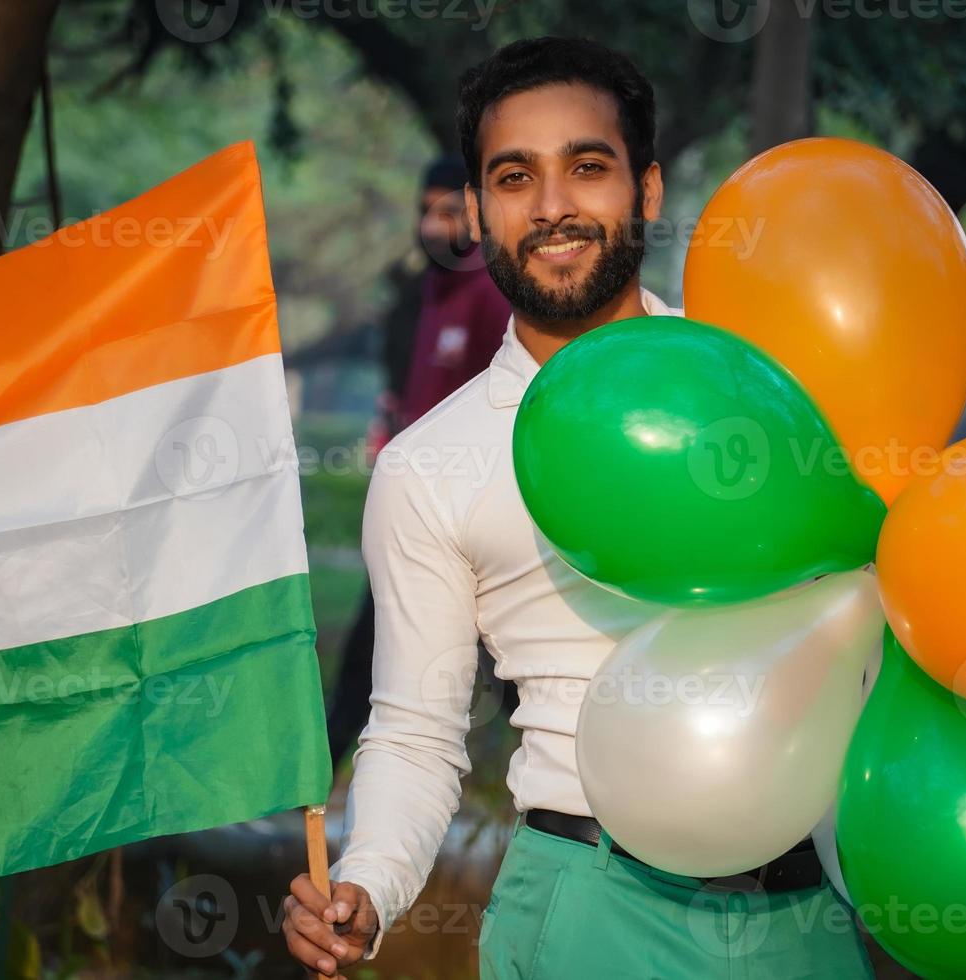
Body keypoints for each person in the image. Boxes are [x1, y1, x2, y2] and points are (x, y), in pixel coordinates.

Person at [284, 36, 875, 978]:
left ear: (645, 192)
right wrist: (371, 882)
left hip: (806, 913)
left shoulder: (764, 388)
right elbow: (415, 732)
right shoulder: (431, 465)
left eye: (586, 168)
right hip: (589, 906)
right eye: (515, 177)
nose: (553, 206)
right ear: (477, 212)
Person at [324, 156, 512, 764]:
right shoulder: (430, 292)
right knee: (371, 653)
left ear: (480, 216)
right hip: (418, 515)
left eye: (450, 212)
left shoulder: (491, 294)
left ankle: (580, 800)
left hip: (483, 520)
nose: (434, 226)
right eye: (427, 211)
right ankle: (318, 779)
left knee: (519, 674)